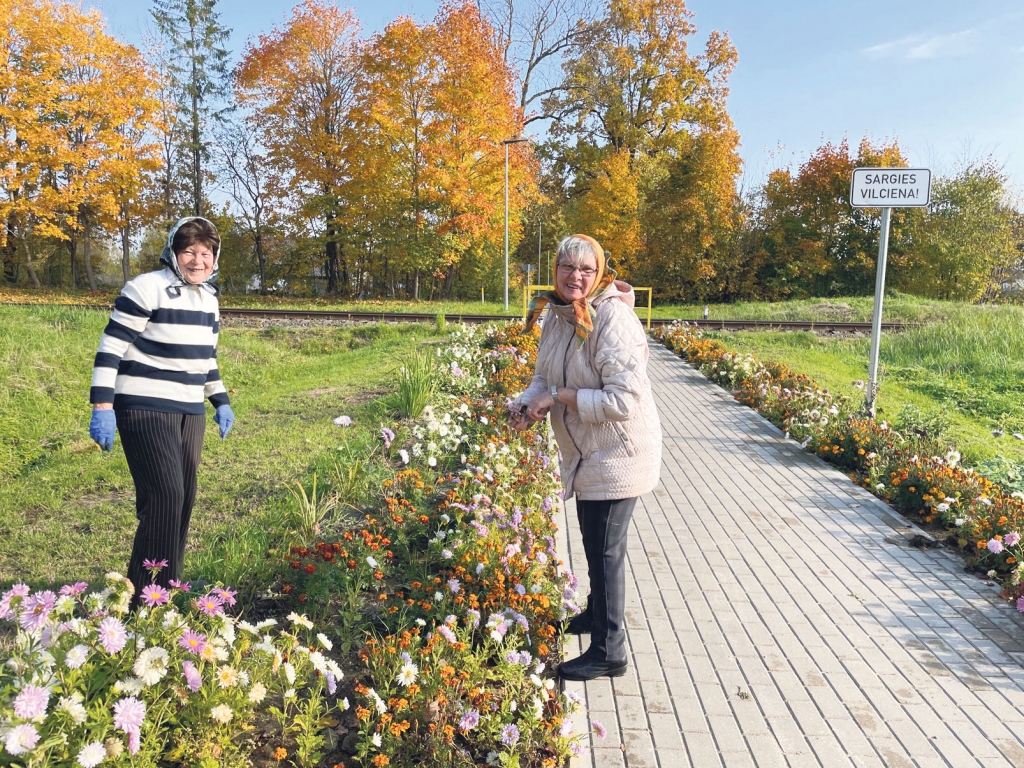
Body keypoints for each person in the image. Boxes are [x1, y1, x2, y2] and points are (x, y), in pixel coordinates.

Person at [512, 234, 662, 681]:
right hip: (589, 452)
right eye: (567, 267)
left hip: (619, 452)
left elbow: (623, 401)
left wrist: (559, 397)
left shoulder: (612, 318)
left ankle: (609, 651)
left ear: (600, 274)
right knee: (594, 542)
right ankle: (596, 615)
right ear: (555, 269)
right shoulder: (558, 315)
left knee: (605, 550)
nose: (575, 276)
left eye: (586, 269)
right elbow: (543, 378)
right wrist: (525, 405)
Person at [88, 217, 235, 603]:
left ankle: (167, 586)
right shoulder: (146, 287)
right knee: (165, 495)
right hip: (145, 404)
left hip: (190, 410)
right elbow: (111, 347)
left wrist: (220, 400)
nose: (198, 261)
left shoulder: (209, 298)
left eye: (206, 253)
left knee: (182, 499)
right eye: (189, 251)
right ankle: (142, 598)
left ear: (215, 257)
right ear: (172, 252)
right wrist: (102, 405)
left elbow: (205, 357)